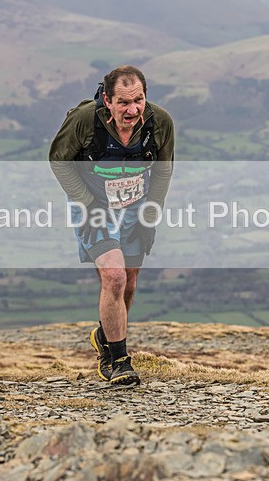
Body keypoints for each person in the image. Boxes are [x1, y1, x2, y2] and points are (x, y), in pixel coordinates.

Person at [49, 65, 174, 386]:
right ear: (107, 99)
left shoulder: (160, 123)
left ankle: (105, 335)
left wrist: (152, 213)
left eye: (139, 100)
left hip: (135, 205)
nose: (132, 109)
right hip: (92, 205)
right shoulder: (84, 121)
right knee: (115, 277)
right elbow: (58, 160)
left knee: (129, 284)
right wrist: (87, 205)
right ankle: (117, 360)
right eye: (123, 102)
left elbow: (163, 170)